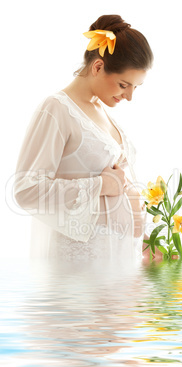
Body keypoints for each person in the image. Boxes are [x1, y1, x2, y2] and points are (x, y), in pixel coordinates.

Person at [14, 15, 153, 263]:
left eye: (135, 87)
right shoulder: (56, 110)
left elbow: (120, 185)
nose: (129, 96)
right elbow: (26, 190)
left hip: (117, 265)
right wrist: (100, 185)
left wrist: (148, 241)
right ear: (98, 67)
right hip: (80, 269)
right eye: (124, 84)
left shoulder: (102, 112)